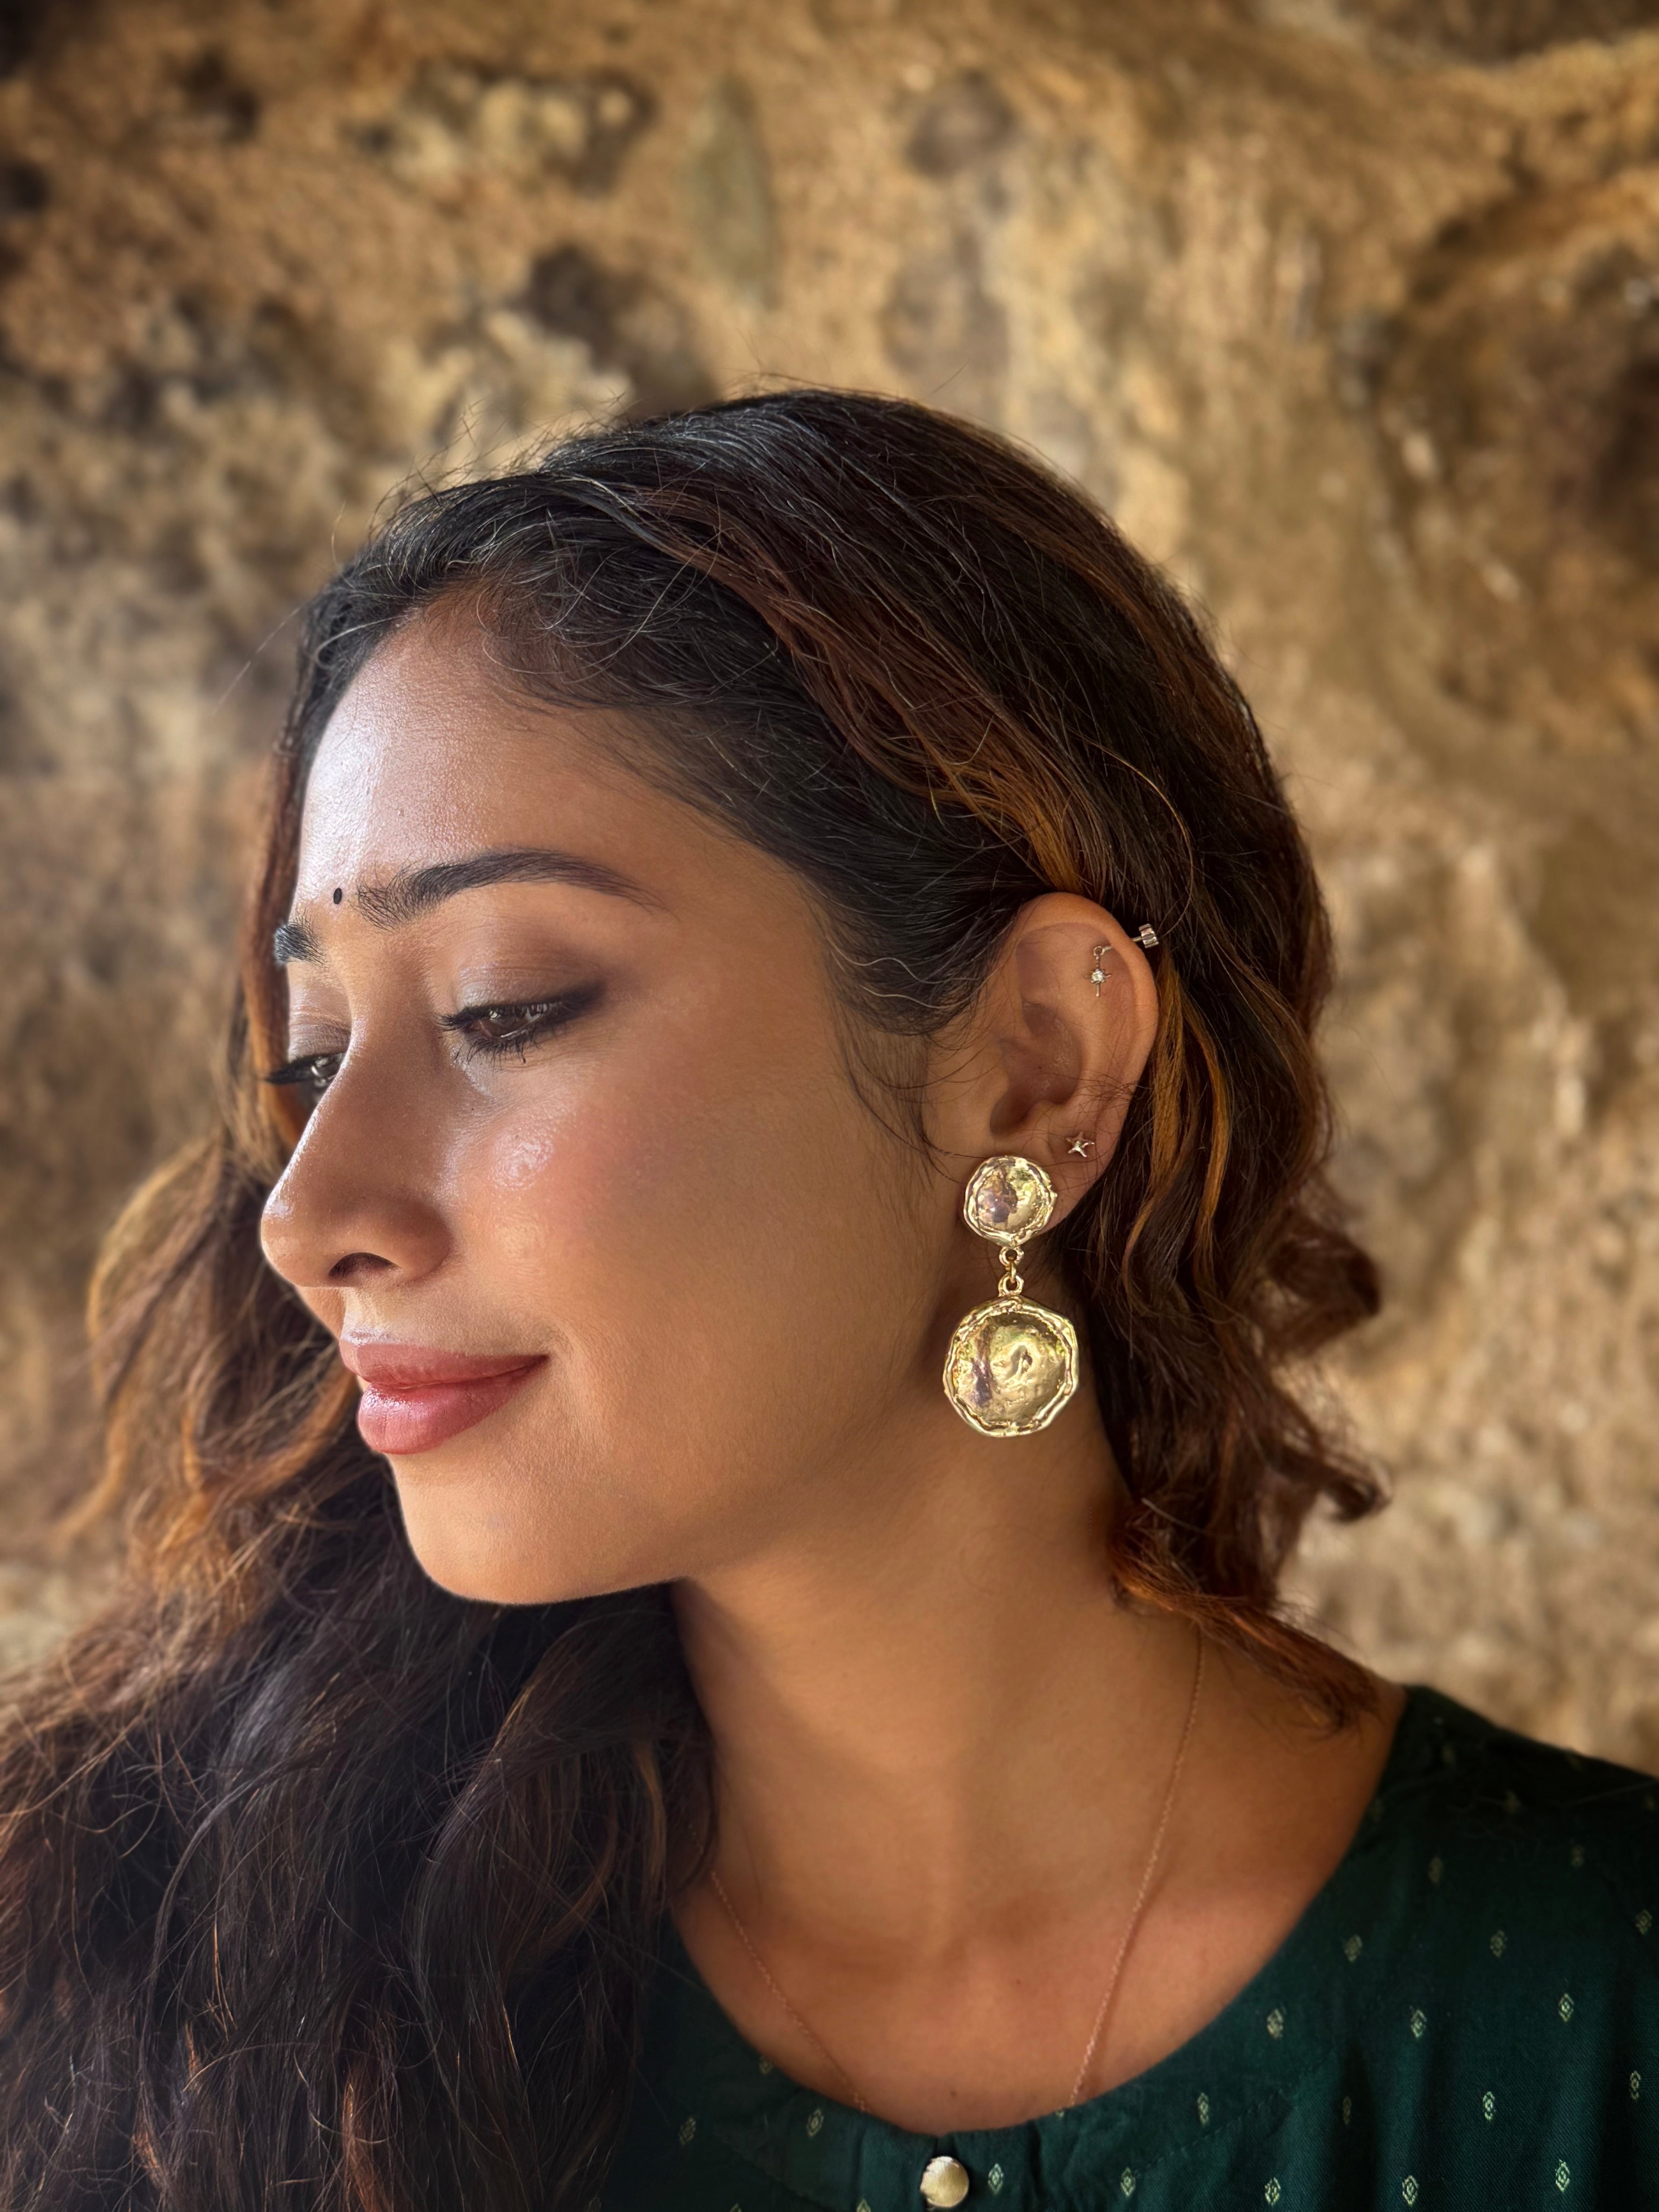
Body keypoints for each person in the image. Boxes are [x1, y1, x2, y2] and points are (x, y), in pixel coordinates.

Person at [0, 391, 1652, 2212]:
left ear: (1035, 1065)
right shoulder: (174, 2008)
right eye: (317, 1050)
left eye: (503, 1008)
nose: (311, 1214)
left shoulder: (1593, 2007)